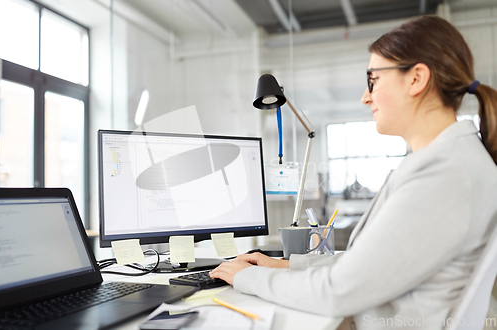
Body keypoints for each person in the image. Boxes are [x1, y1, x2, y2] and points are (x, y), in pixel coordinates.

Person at [210, 15, 497, 329]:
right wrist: (285, 265)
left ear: (416, 79)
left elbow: (337, 290)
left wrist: (247, 277)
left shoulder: (446, 174)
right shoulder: (451, 160)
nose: (365, 96)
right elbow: (366, 267)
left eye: (373, 79)